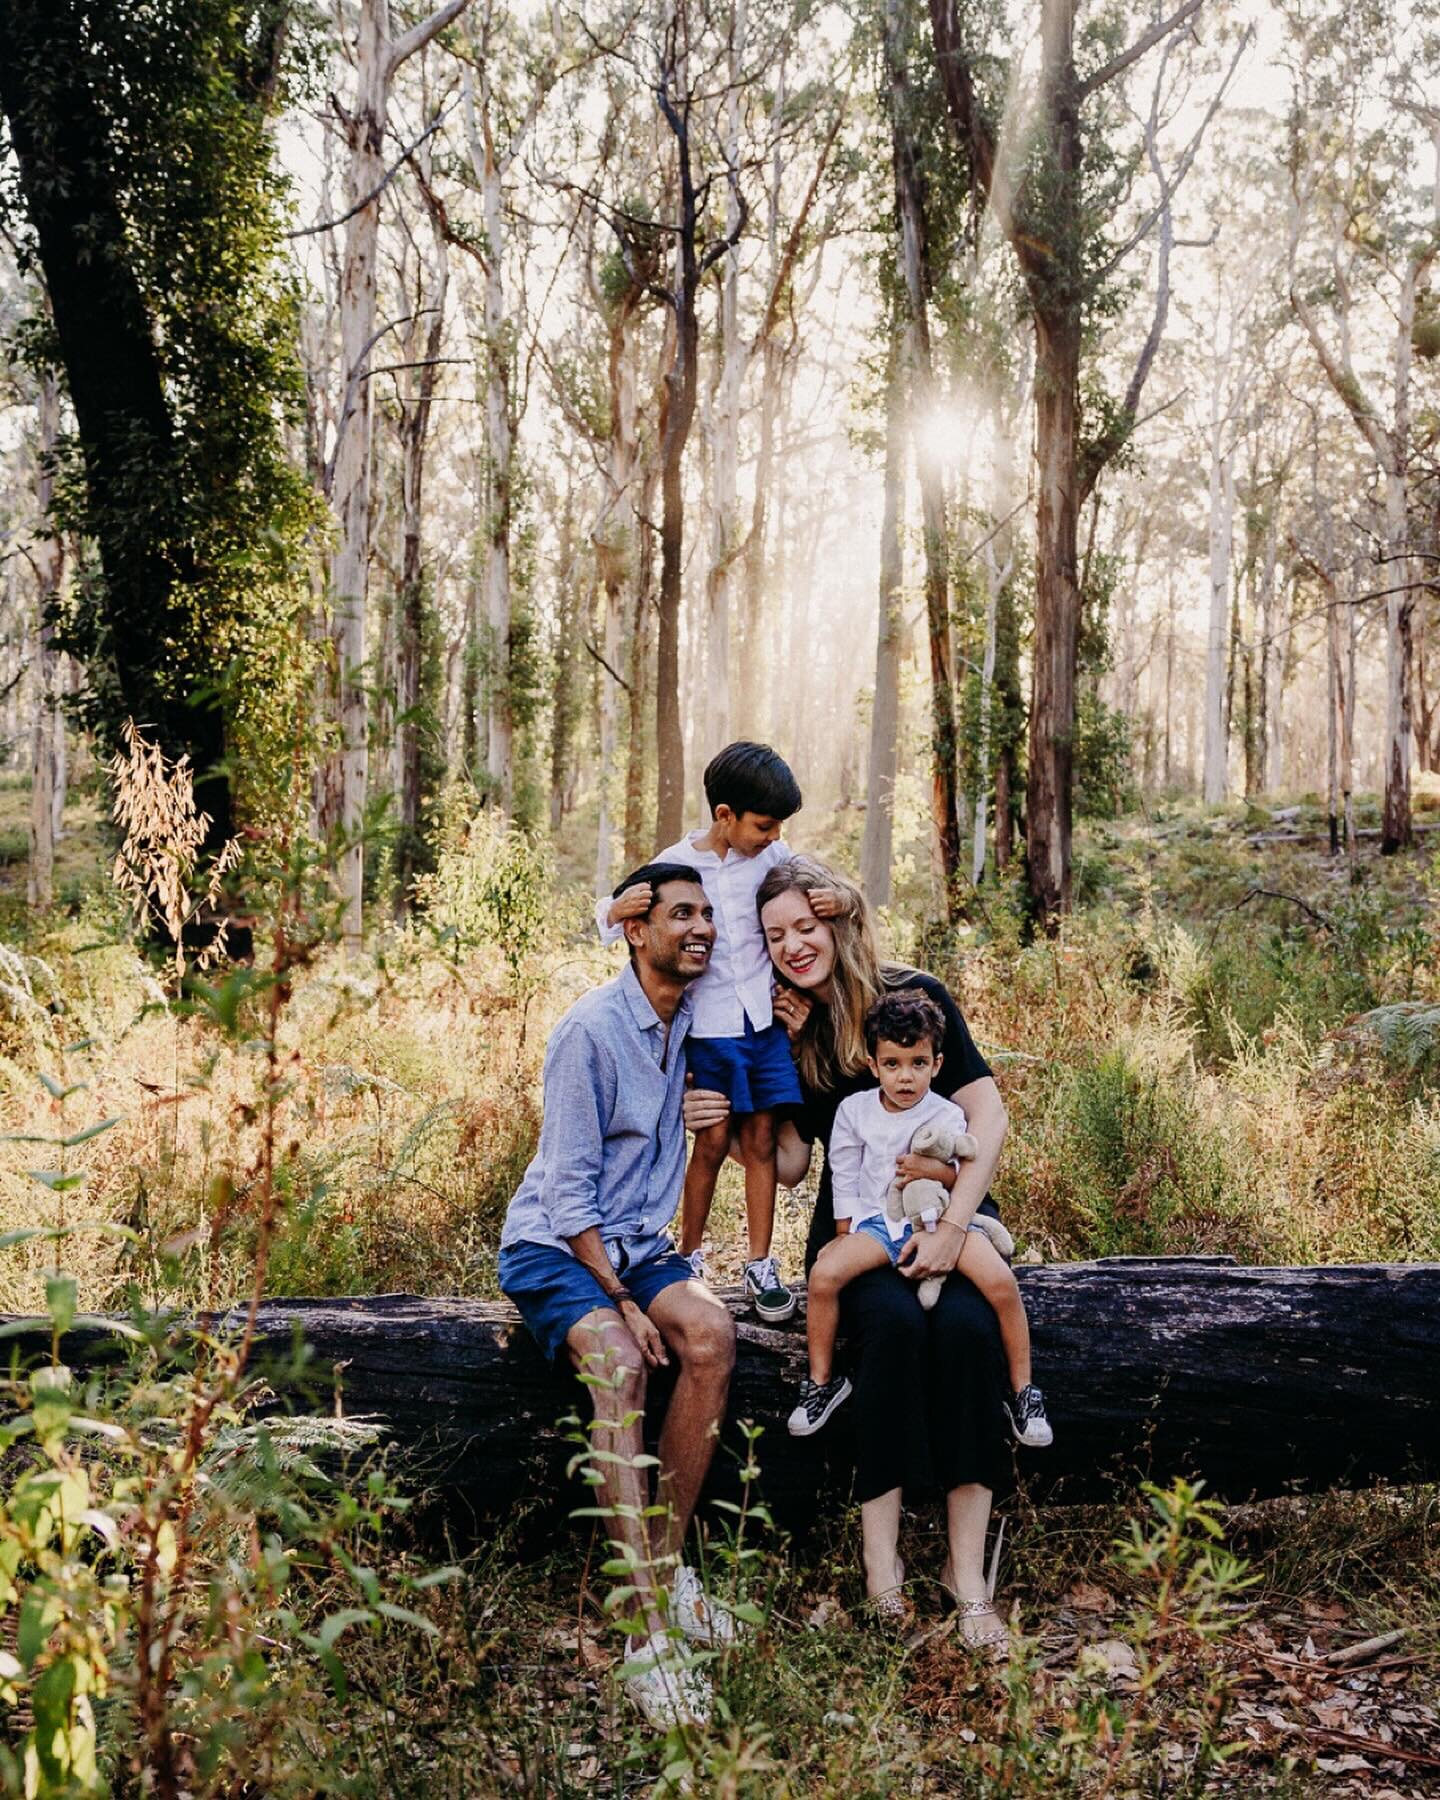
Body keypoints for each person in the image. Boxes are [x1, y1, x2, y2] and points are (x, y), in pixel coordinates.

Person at [685, 855, 1013, 1650]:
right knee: (893, 1335)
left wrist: (951, 1230)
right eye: (775, 935)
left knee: (970, 1336)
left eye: (805, 924)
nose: (794, 944)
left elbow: (988, 1116)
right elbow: (793, 1165)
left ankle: (967, 1577)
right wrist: (723, 1128)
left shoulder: (918, 998)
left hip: (948, 1209)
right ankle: (883, 1571)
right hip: (855, 1226)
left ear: (834, 918)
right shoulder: (787, 1032)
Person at [499, 862, 738, 1728]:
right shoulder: (589, 1032)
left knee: (711, 1335)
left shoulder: (694, 1022)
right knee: (617, 1359)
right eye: (682, 913)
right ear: (637, 929)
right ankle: (645, 1639)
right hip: (558, 1246)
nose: (701, 927)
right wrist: (626, 1303)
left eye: (708, 914)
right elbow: (566, 1198)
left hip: (637, 1244)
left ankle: (667, 1574)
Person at [595, 741, 841, 1325]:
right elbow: (620, 912)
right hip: (708, 1031)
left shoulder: (776, 855)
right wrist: (613, 910)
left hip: (763, 1025)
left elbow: (816, 890)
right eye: (763, 823)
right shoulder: (679, 862)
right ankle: (688, 1253)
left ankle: (760, 1261)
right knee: (708, 1141)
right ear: (725, 815)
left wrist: (840, 897)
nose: (773, 833)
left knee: (759, 1140)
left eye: (779, 825)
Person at [788, 987, 1052, 1452]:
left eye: (917, 1064)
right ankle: (821, 1382)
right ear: (873, 1065)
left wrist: (933, 1172)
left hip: (938, 1220)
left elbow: (957, 1171)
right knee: (824, 1275)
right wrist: (843, 1234)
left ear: (937, 1064)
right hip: (878, 1225)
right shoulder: (855, 1111)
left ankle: (1023, 1391)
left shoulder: (947, 1112)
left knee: (999, 1283)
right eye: (892, 1064)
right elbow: (843, 1173)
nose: (905, 1078)